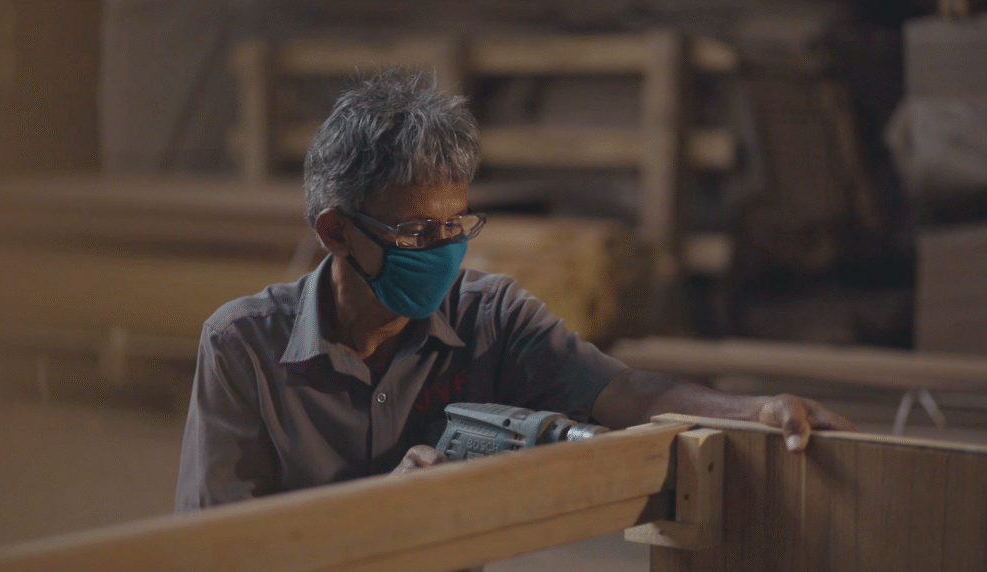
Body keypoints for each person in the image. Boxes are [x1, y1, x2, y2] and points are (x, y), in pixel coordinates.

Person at [174, 69, 854, 511]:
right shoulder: (243, 346)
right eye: (416, 231)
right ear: (335, 232)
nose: (444, 250)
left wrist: (753, 407)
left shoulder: (488, 314)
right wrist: (383, 506)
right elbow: (215, 546)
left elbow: (624, 392)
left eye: (456, 224)